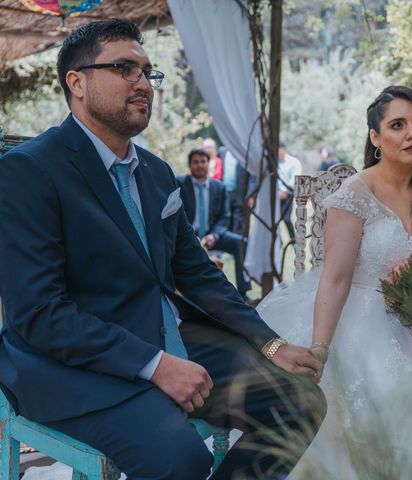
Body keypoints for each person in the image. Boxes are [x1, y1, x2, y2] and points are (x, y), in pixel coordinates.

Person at [0, 19, 325, 480]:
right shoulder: (28, 171)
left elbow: (197, 273)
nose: (143, 84)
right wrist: (154, 366)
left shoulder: (153, 172)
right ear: (76, 82)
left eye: (148, 72)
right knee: (180, 460)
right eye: (124, 68)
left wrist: (269, 343)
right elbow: (39, 314)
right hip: (75, 365)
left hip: (167, 340)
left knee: (301, 402)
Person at [256, 85, 412, 479]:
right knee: (392, 395)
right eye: (398, 125)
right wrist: (320, 349)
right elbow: (335, 280)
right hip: (361, 322)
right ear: (375, 138)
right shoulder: (353, 196)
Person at [177, 148, 252, 299]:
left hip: (212, 235)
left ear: (208, 163)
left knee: (241, 243)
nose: (199, 165)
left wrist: (215, 235)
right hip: (188, 236)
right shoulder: (180, 184)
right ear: (190, 165)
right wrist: (190, 235)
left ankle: (243, 292)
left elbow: (225, 217)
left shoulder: (220, 187)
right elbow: (176, 214)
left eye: (203, 161)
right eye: (195, 162)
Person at [277, 141, 301, 241]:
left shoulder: (293, 162)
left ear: (283, 150)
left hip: (288, 193)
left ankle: (293, 239)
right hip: (276, 194)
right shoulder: (273, 162)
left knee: (286, 219)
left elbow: (295, 179)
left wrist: (284, 192)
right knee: (275, 219)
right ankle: (279, 241)